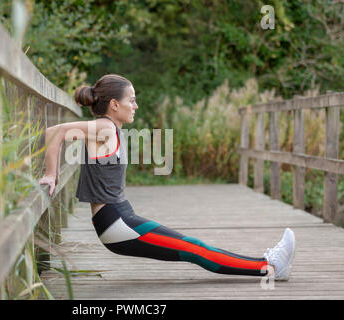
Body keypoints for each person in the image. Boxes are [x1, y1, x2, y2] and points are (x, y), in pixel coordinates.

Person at [39, 74, 295, 280]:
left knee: (193, 247)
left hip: (118, 218)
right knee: (194, 249)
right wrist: (51, 175)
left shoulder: (108, 129)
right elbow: (54, 132)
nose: (136, 106)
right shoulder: (105, 127)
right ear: (114, 104)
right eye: (132, 100)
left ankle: (267, 263)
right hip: (116, 222)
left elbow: (58, 134)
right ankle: (269, 267)